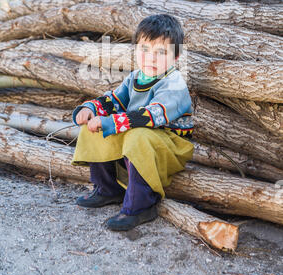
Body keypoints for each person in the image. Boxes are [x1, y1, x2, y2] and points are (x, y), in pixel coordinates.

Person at [71, 13, 194, 231]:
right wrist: (90, 108)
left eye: (161, 52)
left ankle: (141, 206)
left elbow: (151, 116)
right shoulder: (136, 77)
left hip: (170, 147)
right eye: (144, 50)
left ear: (176, 57)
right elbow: (114, 100)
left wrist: (110, 122)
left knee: (135, 135)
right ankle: (108, 189)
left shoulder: (174, 84)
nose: (151, 58)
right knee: (95, 128)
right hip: (143, 136)